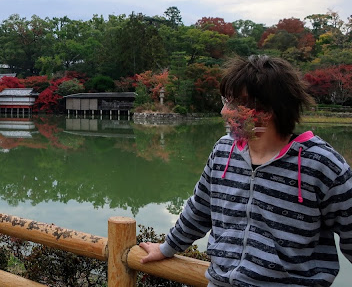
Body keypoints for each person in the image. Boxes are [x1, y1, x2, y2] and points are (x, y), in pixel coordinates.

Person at [139, 55, 352, 286]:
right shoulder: (223, 150)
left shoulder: (321, 164)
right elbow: (200, 209)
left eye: (233, 104)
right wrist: (167, 247)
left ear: (266, 111)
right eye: (225, 101)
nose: (223, 112)